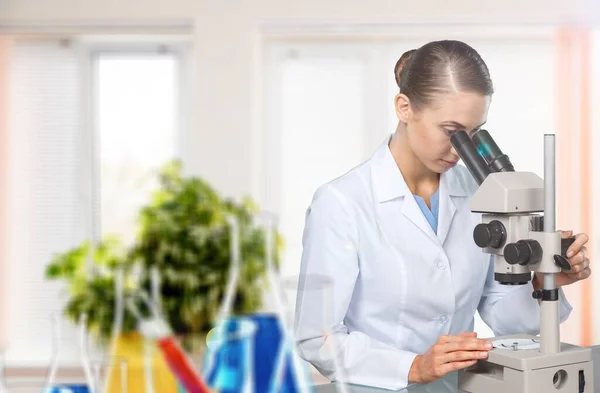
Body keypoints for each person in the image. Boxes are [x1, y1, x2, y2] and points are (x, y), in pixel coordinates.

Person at [293, 40, 592, 391]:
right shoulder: (342, 202)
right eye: (450, 132)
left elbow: (505, 316)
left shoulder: (479, 193)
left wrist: (544, 285)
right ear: (404, 107)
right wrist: (414, 366)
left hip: (457, 386)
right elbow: (317, 337)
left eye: (472, 133)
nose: (459, 149)